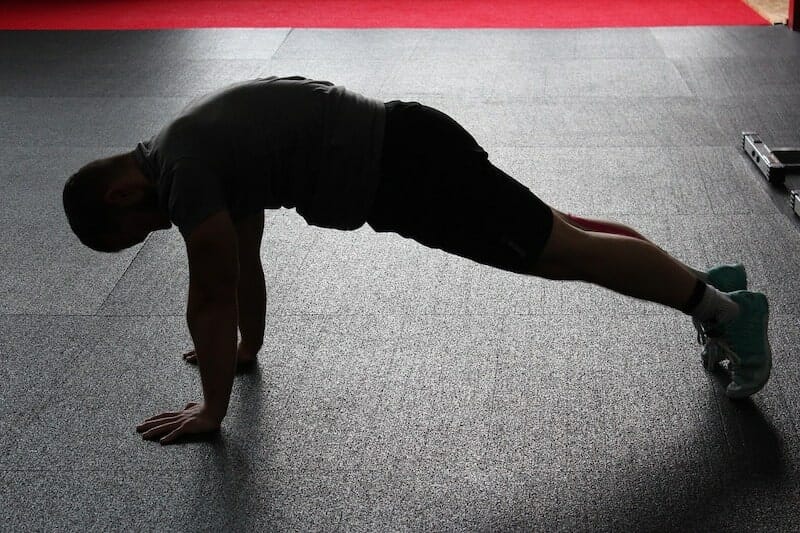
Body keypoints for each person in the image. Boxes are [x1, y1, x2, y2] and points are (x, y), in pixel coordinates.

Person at [62, 76, 772, 446]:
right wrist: (247, 348)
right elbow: (243, 258)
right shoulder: (190, 144)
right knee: (564, 231)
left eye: (143, 228)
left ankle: (726, 312)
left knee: (566, 252)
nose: (163, 229)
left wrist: (212, 409)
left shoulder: (183, 171)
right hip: (412, 141)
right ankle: (706, 286)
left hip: (412, 179)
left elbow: (210, 291)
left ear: (124, 192)